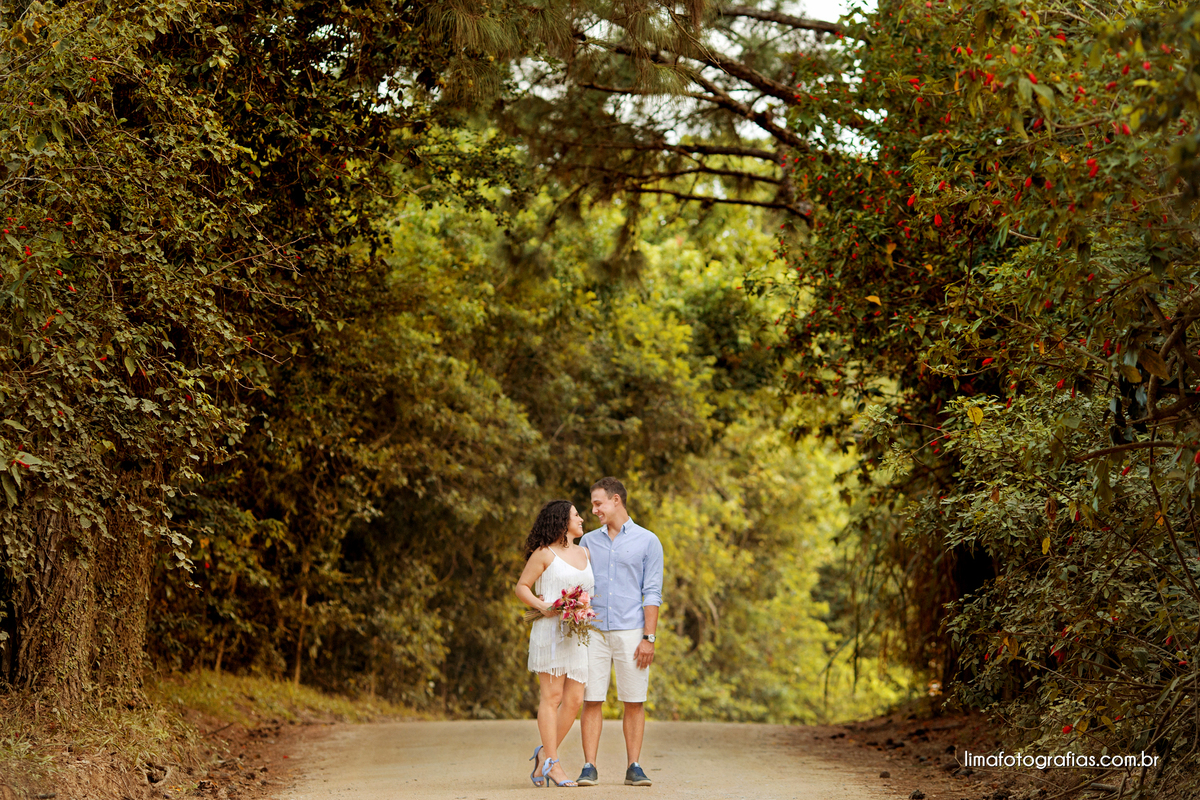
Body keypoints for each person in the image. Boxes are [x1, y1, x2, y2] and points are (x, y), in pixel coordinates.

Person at [576, 478, 663, 787]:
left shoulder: (648, 541)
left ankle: (634, 766)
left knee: (634, 699)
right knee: (592, 698)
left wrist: (648, 638)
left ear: (616, 500)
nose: (594, 509)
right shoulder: (587, 541)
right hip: (593, 632)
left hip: (632, 631)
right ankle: (589, 766)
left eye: (598, 503)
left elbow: (652, 592)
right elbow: (577, 584)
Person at [515, 500, 595, 788]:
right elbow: (521, 586)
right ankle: (553, 762)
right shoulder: (544, 554)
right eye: (576, 515)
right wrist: (543, 605)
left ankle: (542, 757)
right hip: (549, 631)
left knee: (574, 700)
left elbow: (588, 591)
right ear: (562, 521)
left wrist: (583, 607)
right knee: (552, 698)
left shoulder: (584, 551)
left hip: (576, 634)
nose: (582, 518)